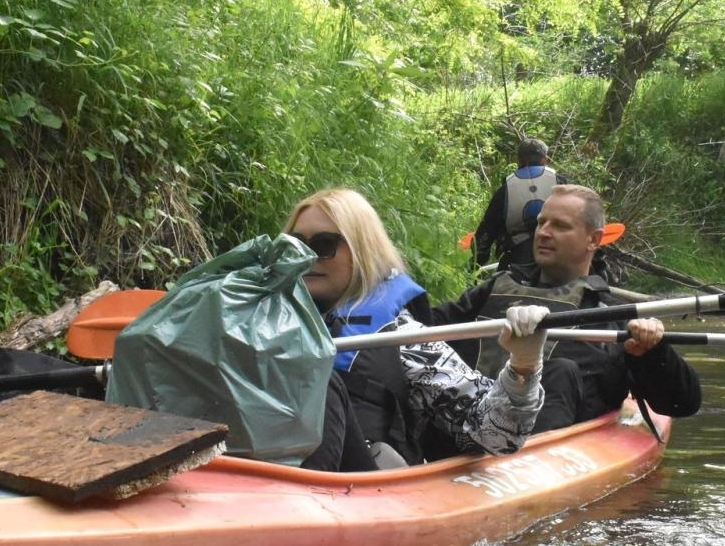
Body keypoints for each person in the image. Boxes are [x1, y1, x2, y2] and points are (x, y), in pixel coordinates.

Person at [282, 188, 551, 471]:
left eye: (324, 244)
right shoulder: (262, 327)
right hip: (268, 471)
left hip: (357, 480)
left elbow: (495, 434)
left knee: (322, 383)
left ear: (362, 250)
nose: (307, 257)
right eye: (295, 245)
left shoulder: (403, 337)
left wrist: (524, 364)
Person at [435, 184, 701, 433]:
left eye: (560, 226)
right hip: (462, 425)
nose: (543, 232)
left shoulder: (612, 315)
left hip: (544, 444)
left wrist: (654, 352)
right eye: (541, 223)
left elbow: (683, 404)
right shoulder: (492, 291)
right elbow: (427, 328)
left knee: (561, 371)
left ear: (593, 239)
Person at [472, 137, 565, 268]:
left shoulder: (505, 190)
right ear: (545, 159)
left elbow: (485, 234)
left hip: (518, 259)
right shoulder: (561, 183)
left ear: (518, 160)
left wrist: (476, 263)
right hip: (559, 254)